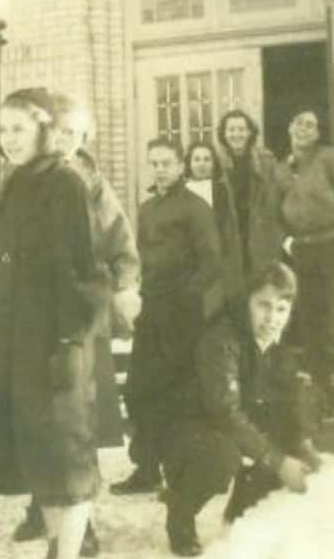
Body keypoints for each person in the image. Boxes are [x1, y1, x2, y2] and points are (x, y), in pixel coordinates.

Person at [0, 87, 110, 559]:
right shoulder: (15, 181)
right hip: (17, 344)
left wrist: (72, 341)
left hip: (55, 344)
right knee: (41, 465)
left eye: (18, 129)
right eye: (3, 130)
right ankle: (60, 548)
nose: (8, 139)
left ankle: (68, 552)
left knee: (64, 464)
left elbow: (86, 270)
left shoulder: (64, 182)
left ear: (43, 130)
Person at [10, 93, 141, 557]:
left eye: (73, 134)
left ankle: (80, 529)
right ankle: (47, 511)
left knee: (76, 426)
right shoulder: (30, 181)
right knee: (43, 422)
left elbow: (121, 246)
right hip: (36, 322)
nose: (63, 141)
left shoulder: (90, 185)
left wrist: (124, 288)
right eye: (58, 132)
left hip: (80, 323)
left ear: (85, 139)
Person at [154, 261, 320, 556]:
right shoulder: (221, 338)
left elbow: (293, 402)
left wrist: (301, 446)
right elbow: (225, 412)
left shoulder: (283, 342)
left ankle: (244, 505)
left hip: (234, 423)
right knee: (222, 457)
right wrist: (278, 462)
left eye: (281, 309)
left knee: (295, 446)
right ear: (247, 302)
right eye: (263, 306)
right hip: (190, 427)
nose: (272, 318)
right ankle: (180, 510)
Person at [110, 137, 222, 496]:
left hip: (183, 314)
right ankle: (146, 468)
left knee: (179, 396)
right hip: (152, 309)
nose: (160, 170)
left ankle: (185, 477)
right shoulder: (146, 209)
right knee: (139, 389)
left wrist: (186, 298)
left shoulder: (196, 208)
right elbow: (139, 258)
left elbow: (212, 262)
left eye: (166, 163)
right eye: (154, 163)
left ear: (180, 166)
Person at [276, 108, 334, 412]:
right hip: (303, 252)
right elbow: (274, 211)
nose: (304, 129)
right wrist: (287, 240)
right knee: (311, 324)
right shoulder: (282, 169)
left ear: (318, 134)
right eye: (299, 123)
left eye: (311, 125)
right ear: (290, 128)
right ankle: (322, 401)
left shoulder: (329, 159)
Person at [217, 109, 285, 275]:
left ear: (249, 132)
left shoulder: (266, 161)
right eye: (231, 130)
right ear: (224, 134)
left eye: (241, 129)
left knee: (261, 280)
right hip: (230, 230)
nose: (236, 134)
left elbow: (277, 196)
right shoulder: (216, 163)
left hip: (259, 230)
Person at [184, 140, 244, 305]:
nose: (201, 164)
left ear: (213, 163)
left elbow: (228, 228)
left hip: (216, 260)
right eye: (196, 159)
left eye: (206, 159)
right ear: (189, 163)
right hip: (186, 260)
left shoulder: (221, 191)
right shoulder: (181, 190)